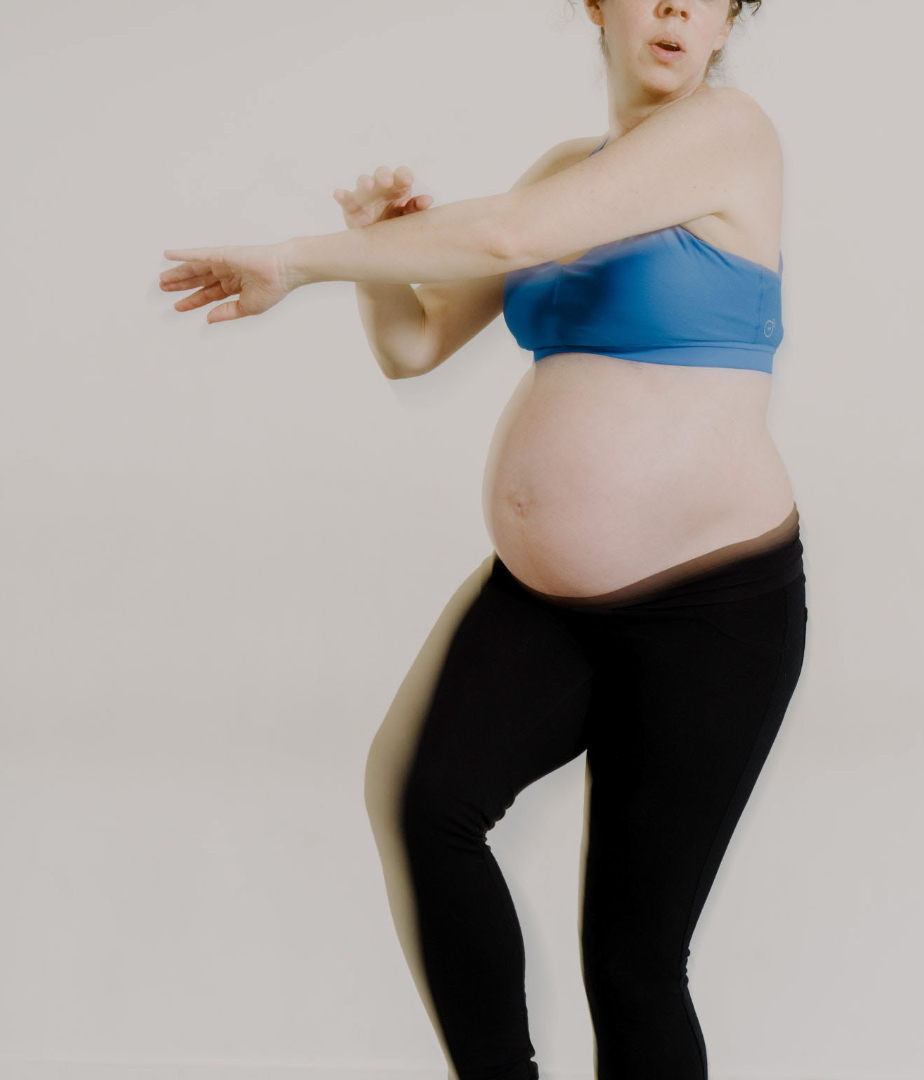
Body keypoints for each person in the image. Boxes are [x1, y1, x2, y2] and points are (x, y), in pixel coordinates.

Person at [159, 2, 805, 1076]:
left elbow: (510, 237)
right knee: (422, 801)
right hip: (540, 602)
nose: (684, 7)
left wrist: (299, 258)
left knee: (633, 958)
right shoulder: (565, 165)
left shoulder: (730, 133)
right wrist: (373, 253)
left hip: (713, 612)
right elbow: (414, 345)